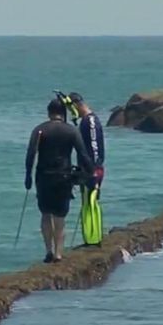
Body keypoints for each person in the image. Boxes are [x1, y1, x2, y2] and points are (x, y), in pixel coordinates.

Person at [24, 98, 94, 263]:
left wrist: (27, 175)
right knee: (60, 217)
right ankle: (58, 254)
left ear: (49, 113)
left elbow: (31, 155)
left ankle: (48, 251)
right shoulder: (71, 131)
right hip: (63, 177)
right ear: (63, 114)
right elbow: (83, 154)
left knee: (45, 214)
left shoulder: (39, 130)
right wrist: (90, 172)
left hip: (43, 177)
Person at [70, 92, 106, 246]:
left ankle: (95, 237)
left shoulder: (90, 121)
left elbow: (94, 147)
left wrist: (94, 170)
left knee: (91, 201)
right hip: (87, 168)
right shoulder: (84, 121)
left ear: (77, 105)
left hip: (93, 169)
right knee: (86, 202)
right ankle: (89, 238)